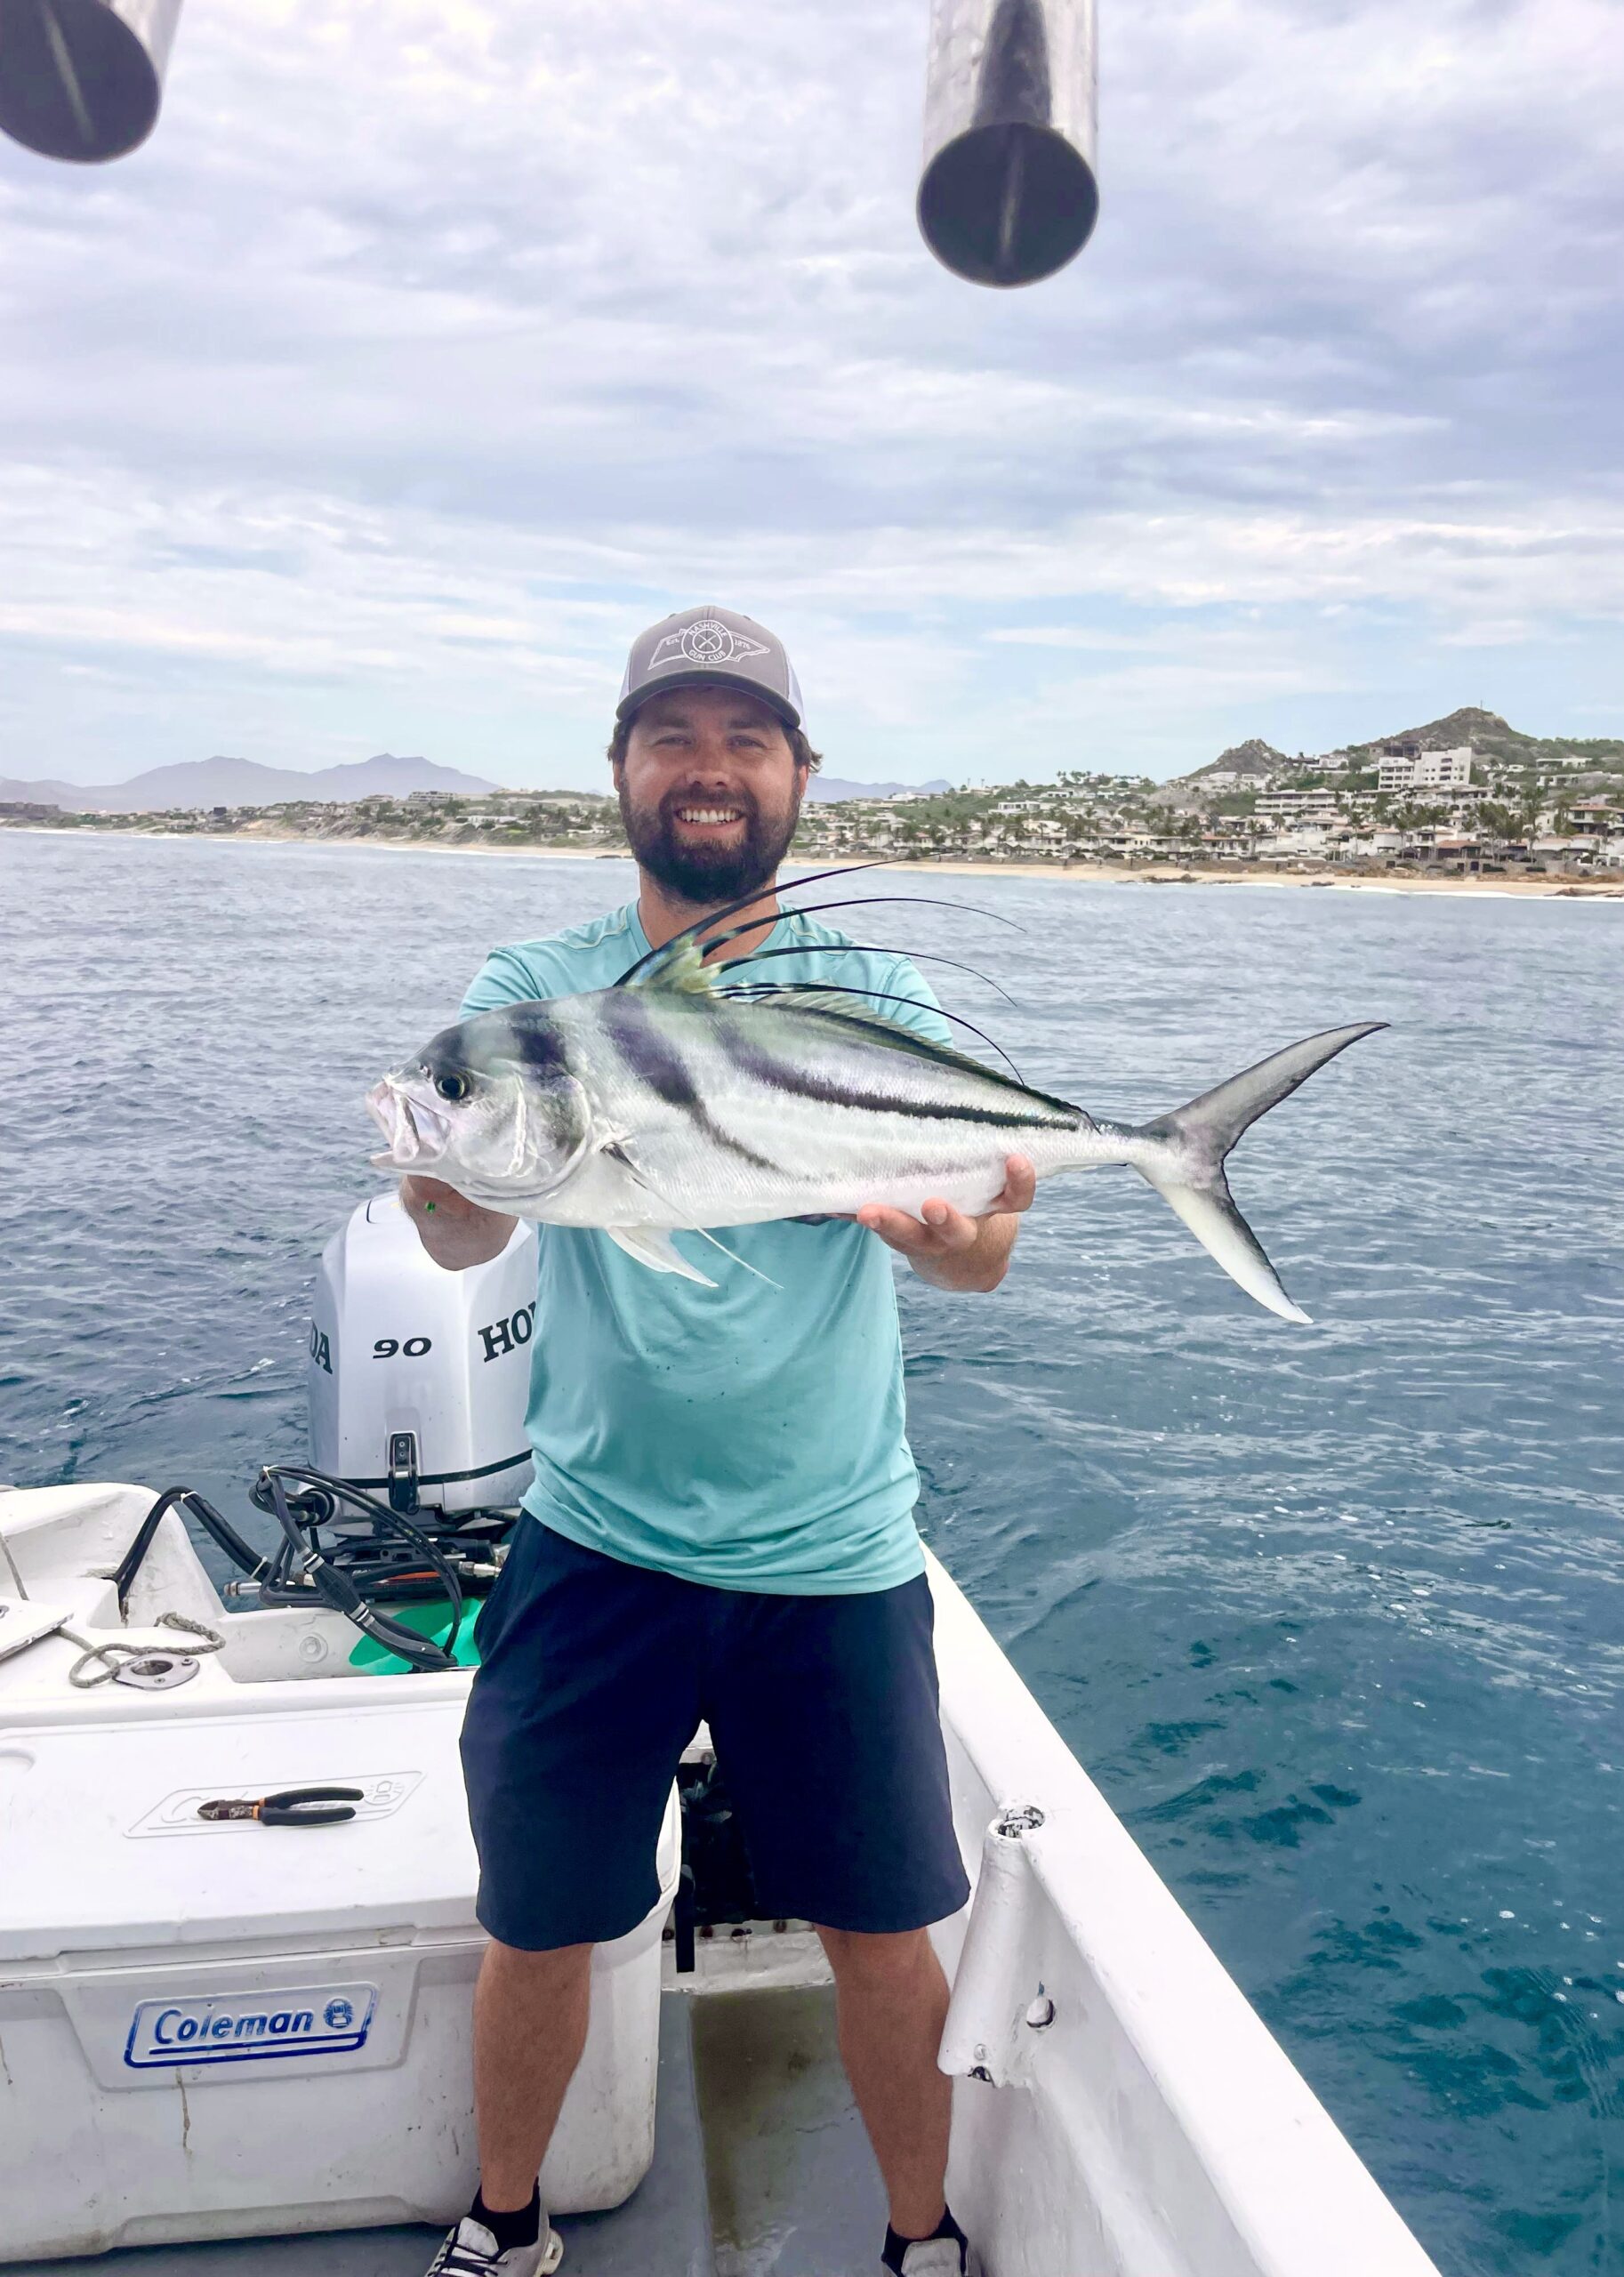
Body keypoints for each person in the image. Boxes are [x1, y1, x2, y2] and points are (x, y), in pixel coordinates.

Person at [404, 605, 1034, 2277]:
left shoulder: (881, 997)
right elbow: (468, 1239)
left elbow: (982, 1250)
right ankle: (506, 2222)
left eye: (745, 737)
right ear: (619, 768)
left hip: (832, 1555)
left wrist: (959, 1237)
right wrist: (443, 1177)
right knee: (537, 1920)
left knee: (883, 1933)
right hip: (595, 1544)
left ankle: (918, 2243)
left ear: (798, 775)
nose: (709, 767)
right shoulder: (535, 996)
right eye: (673, 735)